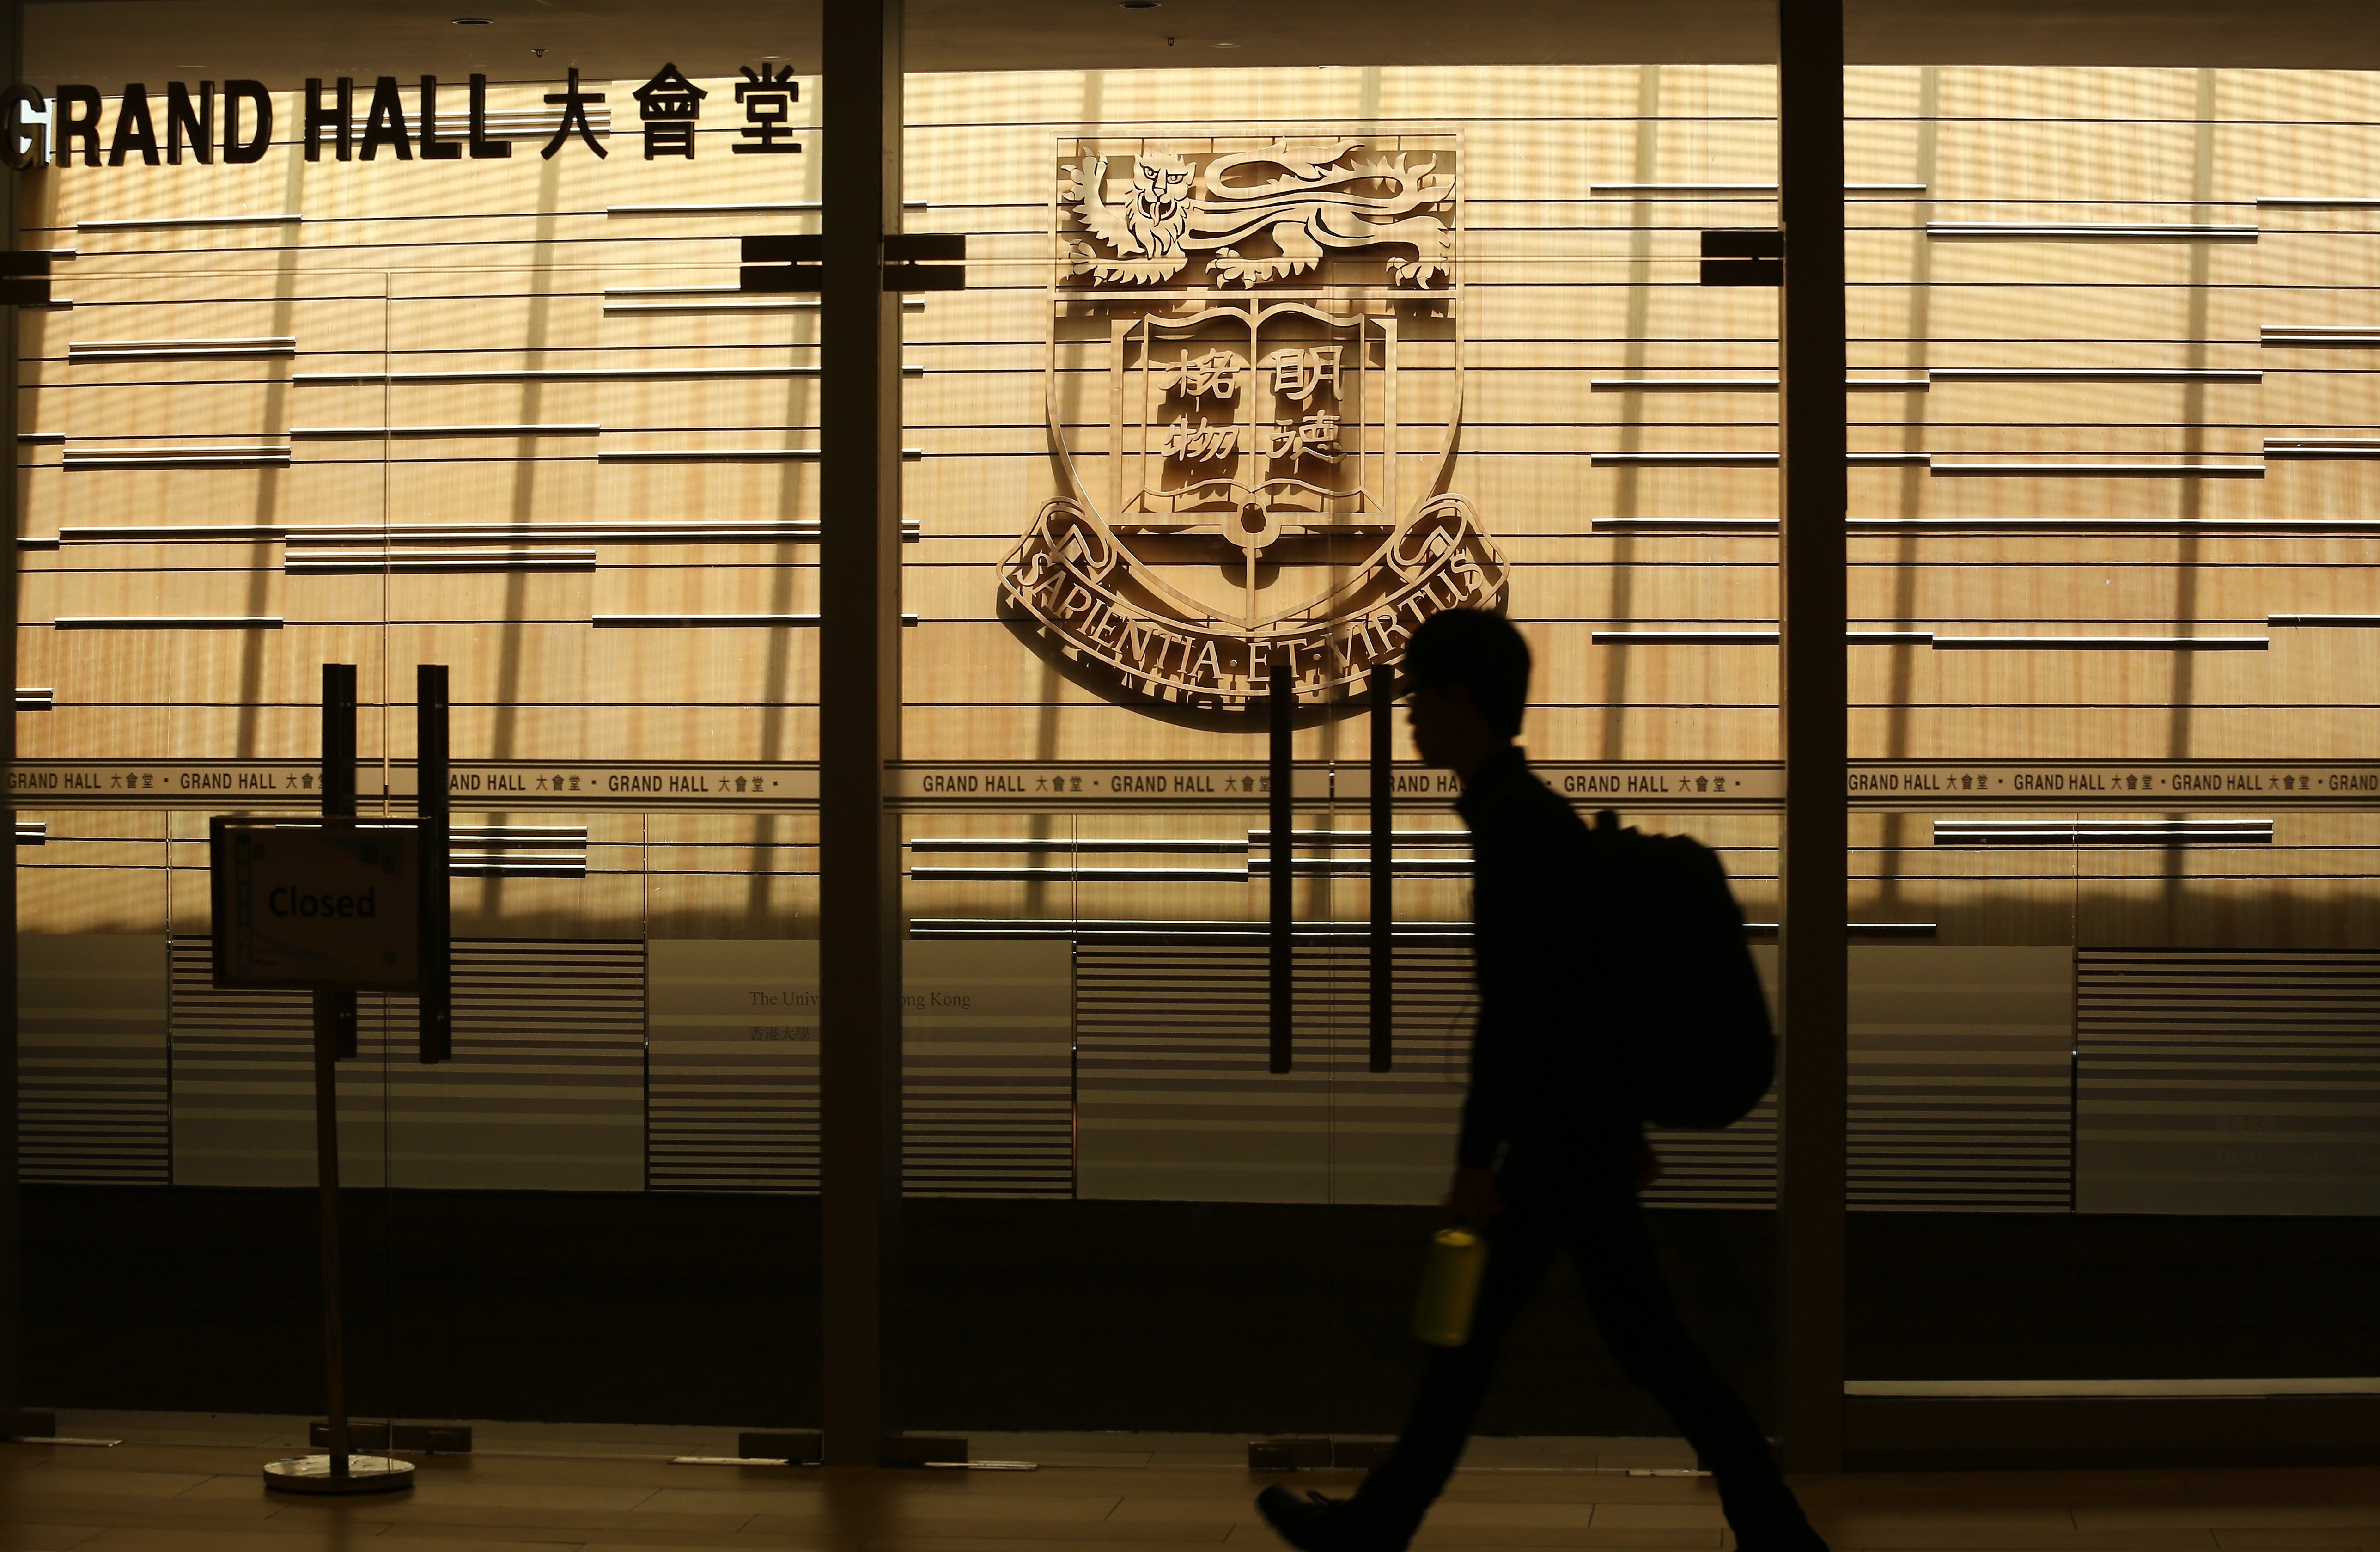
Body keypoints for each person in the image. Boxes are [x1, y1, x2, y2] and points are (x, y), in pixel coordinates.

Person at [1255, 607, 1827, 1552]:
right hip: (1574, 1140)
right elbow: (1580, 990)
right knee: (1574, 1343)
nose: (1407, 716)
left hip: (1555, 1146)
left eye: (1417, 695)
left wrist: (1477, 1157)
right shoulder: (1524, 816)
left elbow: (1518, 1008)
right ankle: (1770, 1526)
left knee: (1561, 1343)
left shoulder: (1516, 824)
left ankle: (1377, 1527)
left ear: (1459, 697)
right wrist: (1616, 1122)